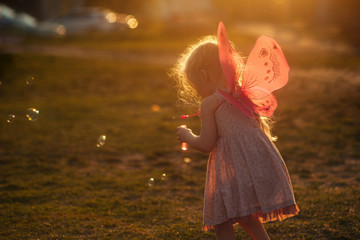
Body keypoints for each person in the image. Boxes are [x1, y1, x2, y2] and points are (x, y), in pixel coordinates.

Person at [172, 23, 299, 240]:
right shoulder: (242, 94)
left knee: (222, 219)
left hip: (233, 168)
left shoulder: (210, 102)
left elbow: (206, 144)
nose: (197, 93)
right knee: (247, 216)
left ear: (203, 75)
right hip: (256, 162)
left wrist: (186, 136)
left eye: (194, 86)